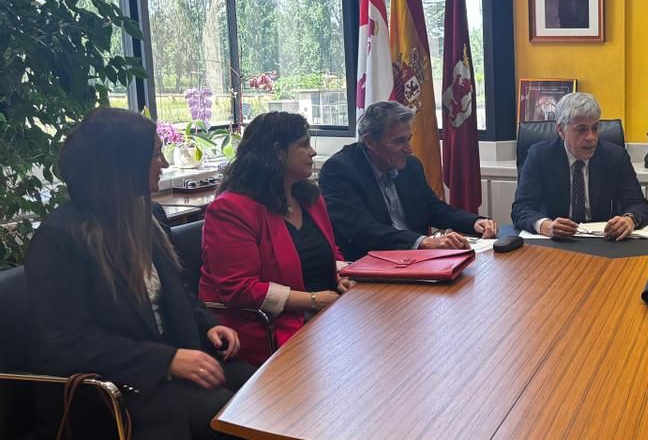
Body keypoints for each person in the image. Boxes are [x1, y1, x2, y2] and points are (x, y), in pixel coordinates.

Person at [25, 108, 252, 439]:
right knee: (229, 421)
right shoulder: (60, 238)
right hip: (112, 388)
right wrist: (167, 360)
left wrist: (209, 324)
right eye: (156, 154)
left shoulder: (149, 215)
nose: (164, 163)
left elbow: (178, 293)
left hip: (166, 367)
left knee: (257, 387)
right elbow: (66, 343)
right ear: (123, 166)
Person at [201, 112, 352, 366]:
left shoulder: (309, 199)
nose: (313, 152)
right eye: (303, 144)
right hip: (268, 329)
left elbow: (329, 251)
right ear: (278, 152)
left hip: (325, 316)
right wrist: (314, 301)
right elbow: (239, 288)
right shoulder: (231, 209)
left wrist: (342, 278)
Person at [320, 101, 497, 260]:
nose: (409, 149)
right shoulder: (339, 171)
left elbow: (434, 209)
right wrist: (423, 242)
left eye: (408, 140)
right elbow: (362, 231)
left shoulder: (410, 166)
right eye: (399, 142)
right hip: (371, 266)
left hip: (415, 261)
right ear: (370, 142)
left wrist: (474, 222)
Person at [511, 92, 648, 239]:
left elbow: (640, 206)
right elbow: (521, 208)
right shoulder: (539, 156)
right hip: (556, 243)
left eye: (595, 128)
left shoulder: (615, 157)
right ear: (561, 130)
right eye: (581, 129)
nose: (591, 137)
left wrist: (629, 220)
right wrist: (546, 226)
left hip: (603, 242)